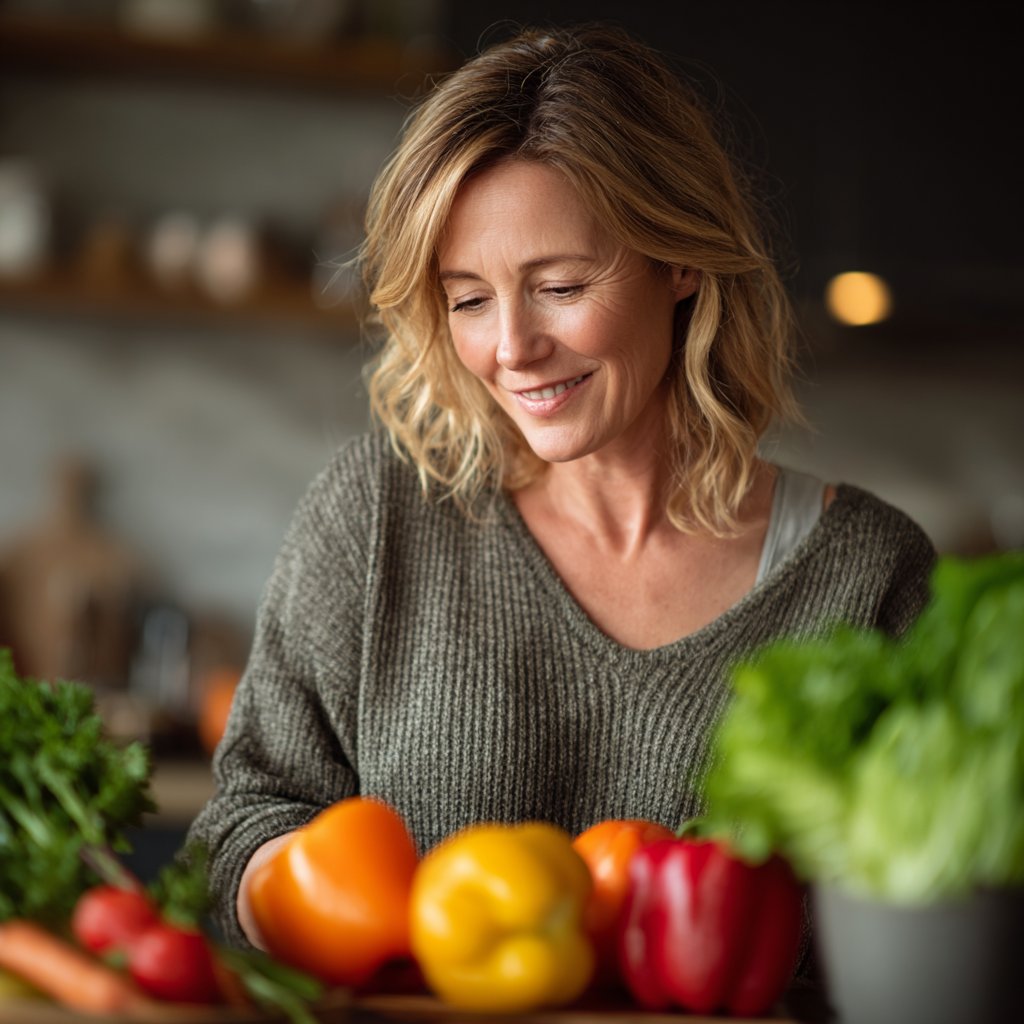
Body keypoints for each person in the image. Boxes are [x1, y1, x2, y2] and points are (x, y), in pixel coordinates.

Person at [188, 26, 934, 948]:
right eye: (467, 298)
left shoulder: (867, 577)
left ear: (681, 261)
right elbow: (238, 831)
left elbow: (922, 924)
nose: (511, 347)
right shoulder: (377, 518)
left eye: (560, 286)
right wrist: (344, 908)